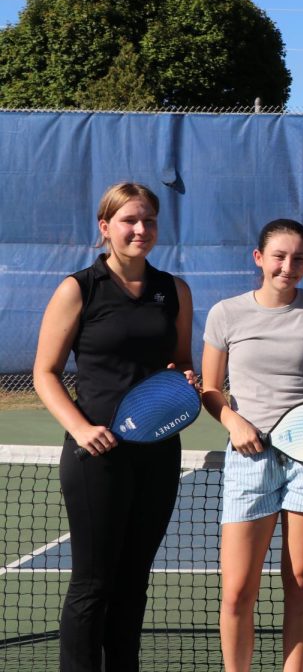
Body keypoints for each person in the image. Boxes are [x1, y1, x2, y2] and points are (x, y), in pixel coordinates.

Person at [33, 182, 196, 672]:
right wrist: (82, 429)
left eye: (148, 220)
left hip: (158, 454)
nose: (140, 229)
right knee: (93, 583)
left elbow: (180, 363)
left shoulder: (174, 290)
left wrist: (184, 378)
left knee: (134, 581)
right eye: (129, 220)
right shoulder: (79, 288)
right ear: (106, 228)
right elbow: (45, 372)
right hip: (96, 457)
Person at [200, 219, 303, 672]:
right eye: (279, 256)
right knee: (239, 588)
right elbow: (210, 388)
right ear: (259, 258)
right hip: (249, 459)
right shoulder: (226, 314)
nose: (288, 266)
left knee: (300, 581)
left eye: (298, 258)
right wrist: (231, 419)